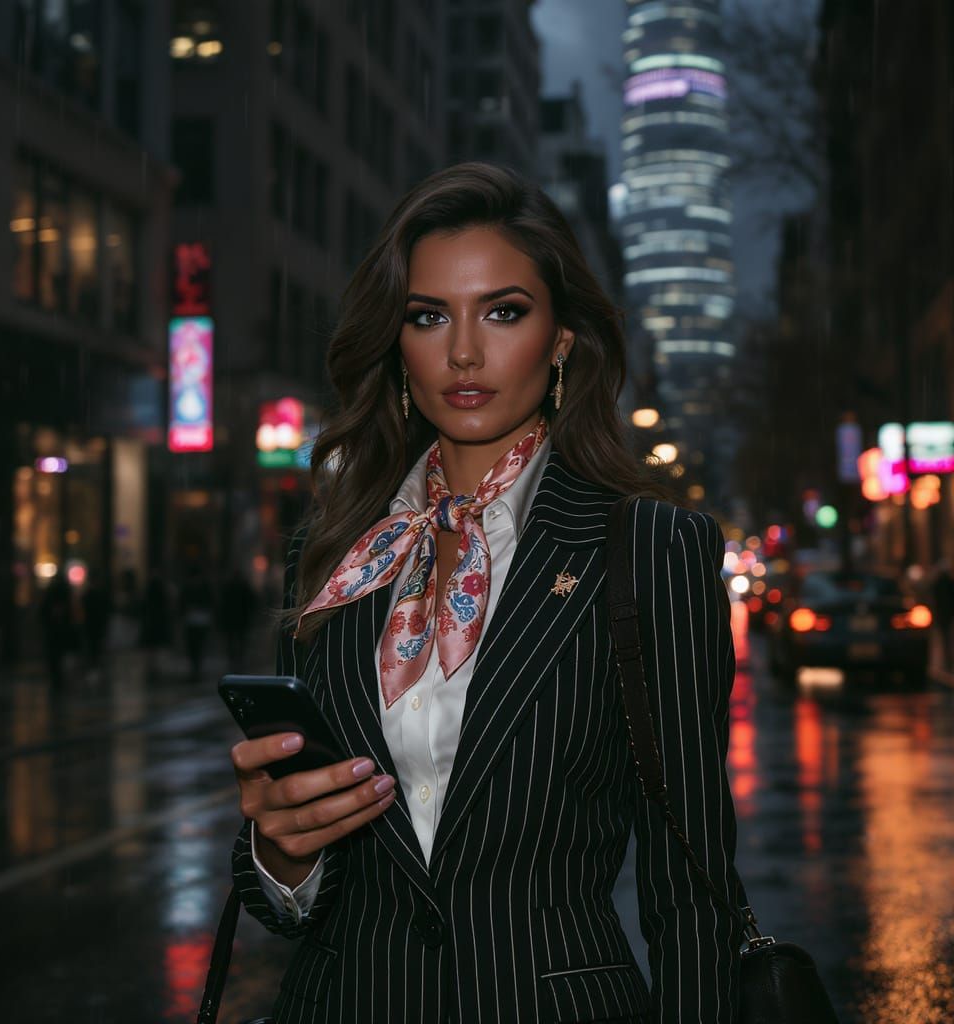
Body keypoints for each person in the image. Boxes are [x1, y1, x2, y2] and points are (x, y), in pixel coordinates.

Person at [229, 163, 746, 1023]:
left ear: (562, 338)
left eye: (503, 312)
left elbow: (693, 888)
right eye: (428, 316)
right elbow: (286, 901)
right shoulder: (334, 555)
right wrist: (283, 855)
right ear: (396, 341)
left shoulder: (650, 550)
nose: (463, 353)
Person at [179, 564, 215, 681]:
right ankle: (194, 667)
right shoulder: (189, 588)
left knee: (199, 645)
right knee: (192, 646)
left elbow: (210, 602)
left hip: (200, 620)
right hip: (192, 621)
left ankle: (197, 667)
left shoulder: (202, 588)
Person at [218, 569, 258, 671]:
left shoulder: (230, 587)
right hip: (240, 618)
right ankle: (238, 659)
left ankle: (235, 659)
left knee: (234, 640)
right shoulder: (243, 587)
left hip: (234, 618)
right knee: (239, 640)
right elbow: (252, 602)